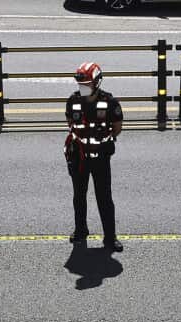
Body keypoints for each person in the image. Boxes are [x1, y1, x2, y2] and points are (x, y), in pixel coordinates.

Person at [65, 61, 124, 252]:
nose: (83, 87)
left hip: (100, 158)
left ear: (97, 82)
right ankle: (80, 231)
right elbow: (70, 123)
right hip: (79, 157)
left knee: (104, 197)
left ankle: (110, 237)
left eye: (87, 84)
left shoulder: (110, 102)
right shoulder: (73, 101)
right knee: (79, 196)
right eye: (81, 84)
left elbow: (117, 128)